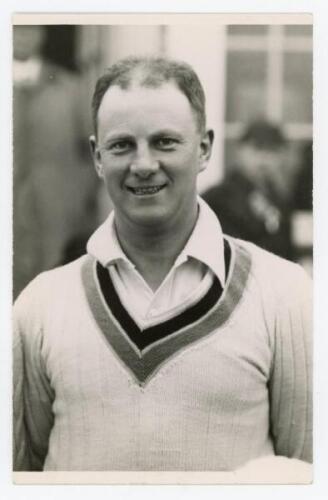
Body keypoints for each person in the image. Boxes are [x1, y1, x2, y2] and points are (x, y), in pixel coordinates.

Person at [13, 57, 312, 472]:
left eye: (165, 142)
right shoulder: (40, 307)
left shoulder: (285, 295)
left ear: (204, 148)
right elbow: (18, 475)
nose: (143, 164)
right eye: (121, 145)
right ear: (97, 157)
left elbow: (309, 472)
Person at [13, 25, 98, 299]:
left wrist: (76, 199)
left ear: (42, 35)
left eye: (30, 29)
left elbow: (93, 152)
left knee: (51, 295)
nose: (22, 36)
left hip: (57, 218)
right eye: (14, 29)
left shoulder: (68, 88)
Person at [203, 120, 294, 260]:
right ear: (240, 151)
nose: (264, 159)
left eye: (272, 151)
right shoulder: (218, 197)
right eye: (257, 149)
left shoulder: (281, 199)